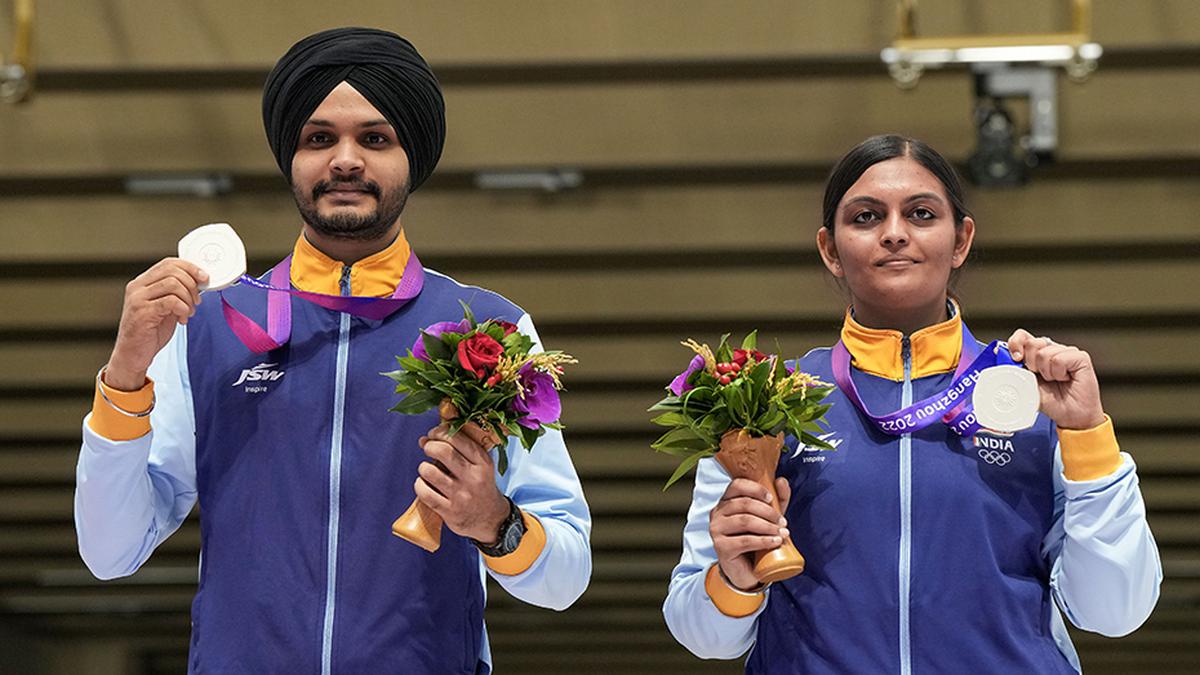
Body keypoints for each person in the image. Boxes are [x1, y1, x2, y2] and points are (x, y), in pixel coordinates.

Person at [74, 27, 591, 674]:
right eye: (320, 138)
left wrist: (496, 521)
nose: (345, 159)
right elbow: (108, 549)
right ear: (291, 157)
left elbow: (566, 571)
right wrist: (124, 376)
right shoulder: (208, 325)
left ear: (413, 157)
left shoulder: (493, 331)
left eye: (375, 138)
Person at [663, 134, 1160, 673]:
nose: (895, 234)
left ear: (961, 240)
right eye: (866, 217)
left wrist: (1087, 433)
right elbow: (704, 635)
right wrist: (735, 578)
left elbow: (1115, 611)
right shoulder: (764, 402)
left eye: (921, 214)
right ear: (831, 249)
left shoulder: (1033, 396)